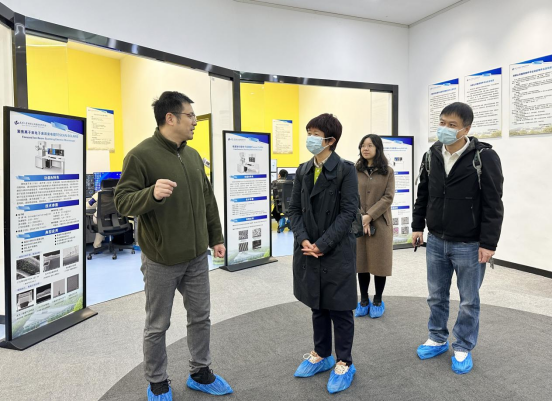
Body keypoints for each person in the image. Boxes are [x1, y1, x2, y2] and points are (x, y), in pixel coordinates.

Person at [114, 91, 233, 400]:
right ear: (170, 118)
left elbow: (207, 200)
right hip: (161, 259)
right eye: (190, 115)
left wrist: (216, 238)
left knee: (201, 317)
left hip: (196, 256)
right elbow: (122, 201)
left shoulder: (193, 156)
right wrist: (151, 194)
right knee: (157, 325)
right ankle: (157, 381)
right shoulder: (140, 156)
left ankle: (200, 372)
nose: (194, 121)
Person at [412, 102, 504, 375]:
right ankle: (437, 337)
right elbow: (423, 194)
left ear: (466, 128)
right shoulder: (431, 155)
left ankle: (463, 345)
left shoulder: (484, 157)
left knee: (468, 300)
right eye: (442, 123)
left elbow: (493, 204)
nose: (445, 129)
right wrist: (418, 226)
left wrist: (489, 243)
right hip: (436, 240)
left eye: (452, 125)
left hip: (469, 244)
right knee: (436, 295)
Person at [288, 113, 359, 394]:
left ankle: (344, 361)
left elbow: (348, 212)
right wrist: (304, 240)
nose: (310, 138)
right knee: (317, 304)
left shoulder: (345, 170)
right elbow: (293, 210)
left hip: (336, 249)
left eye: (315, 134)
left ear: (330, 140)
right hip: (308, 248)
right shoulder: (303, 170)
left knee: (340, 308)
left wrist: (322, 244)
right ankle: (321, 354)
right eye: (308, 132)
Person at [354, 134, 395, 319]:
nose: (365, 148)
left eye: (370, 145)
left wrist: (370, 216)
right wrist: (361, 216)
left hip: (380, 224)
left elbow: (388, 197)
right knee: (361, 263)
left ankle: (378, 300)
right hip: (358, 223)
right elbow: (350, 196)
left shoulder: (388, 172)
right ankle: (363, 300)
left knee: (379, 263)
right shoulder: (354, 170)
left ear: (378, 148)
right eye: (363, 145)